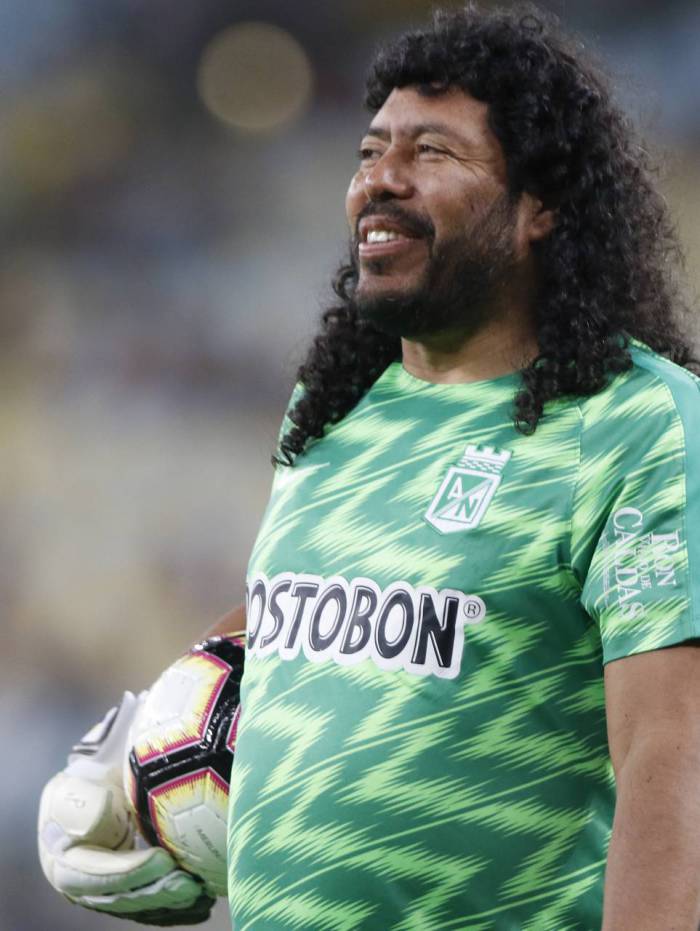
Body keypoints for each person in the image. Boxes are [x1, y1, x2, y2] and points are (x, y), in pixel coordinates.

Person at [38, 3, 700, 929]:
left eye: (432, 153)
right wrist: (145, 753)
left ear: (541, 206)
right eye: (367, 151)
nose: (379, 181)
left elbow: (671, 762)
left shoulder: (636, 422)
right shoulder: (332, 404)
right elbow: (303, 612)